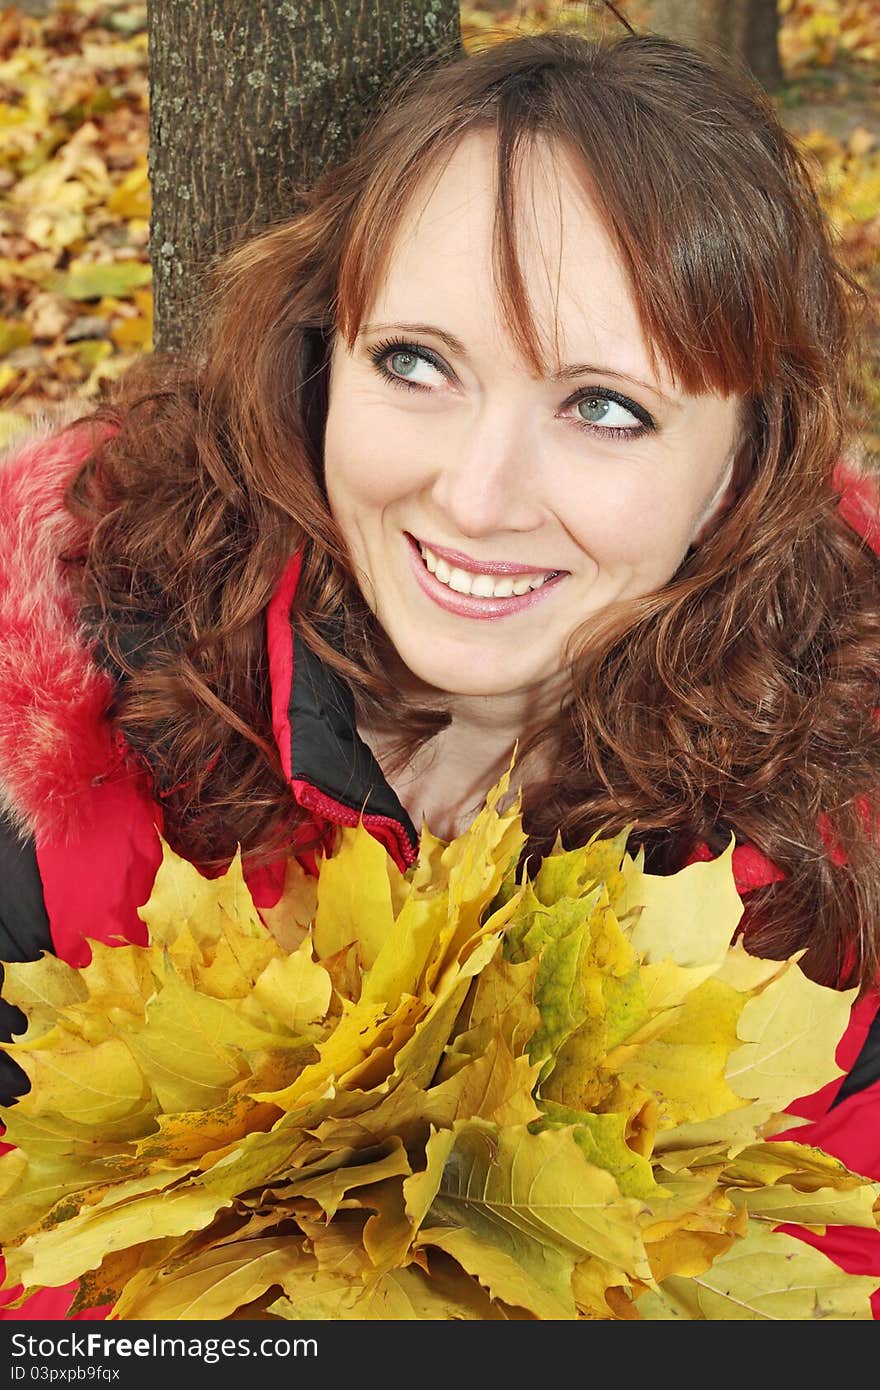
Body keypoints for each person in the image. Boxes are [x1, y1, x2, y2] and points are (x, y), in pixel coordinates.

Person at [0, 25, 879, 1321]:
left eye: (604, 408)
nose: (472, 495)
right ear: (321, 362)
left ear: (742, 470)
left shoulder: (842, 801)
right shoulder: (66, 703)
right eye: (416, 362)